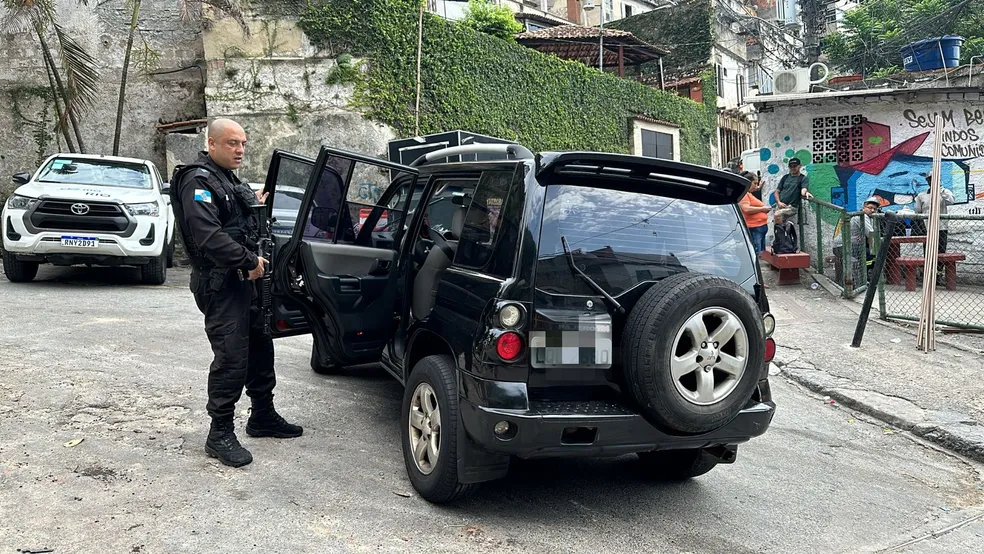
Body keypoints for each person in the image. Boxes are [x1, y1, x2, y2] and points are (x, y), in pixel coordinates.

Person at [170, 118, 302, 468]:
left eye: (243, 143)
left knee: (260, 343)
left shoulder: (227, 178)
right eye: (231, 143)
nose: (240, 149)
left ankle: (262, 415)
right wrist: (248, 261)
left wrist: (252, 204)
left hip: (246, 280)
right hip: (222, 282)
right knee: (231, 355)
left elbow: (233, 217)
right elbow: (208, 237)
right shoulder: (197, 180)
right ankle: (220, 432)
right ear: (211, 144)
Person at [914, 172, 955, 282]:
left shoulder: (945, 192)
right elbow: (917, 211)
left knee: (941, 252)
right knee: (928, 251)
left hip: (941, 227)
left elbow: (950, 201)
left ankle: (939, 275)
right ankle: (929, 274)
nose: (931, 181)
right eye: (929, 179)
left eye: (934, 179)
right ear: (927, 181)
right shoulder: (921, 195)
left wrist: (940, 190)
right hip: (927, 228)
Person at [832, 196, 879, 287]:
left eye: (875, 209)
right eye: (870, 208)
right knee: (873, 255)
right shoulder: (863, 216)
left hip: (842, 245)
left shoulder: (863, 216)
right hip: (844, 246)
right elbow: (871, 234)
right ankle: (863, 278)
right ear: (864, 207)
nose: (872, 210)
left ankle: (863, 278)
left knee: (869, 253)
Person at [739, 171, 769, 254]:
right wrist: (762, 209)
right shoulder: (744, 194)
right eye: (754, 183)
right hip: (754, 227)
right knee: (755, 252)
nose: (756, 186)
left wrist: (759, 187)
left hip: (759, 227)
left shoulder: (749, 193)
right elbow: (746, 209)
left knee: (759, 252)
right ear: (747, 183)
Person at [773, 157, 813, 222]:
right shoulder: (785, 177)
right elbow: (777, 191)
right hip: (780, 205)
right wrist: (778, 202)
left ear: (800, 166)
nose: (792, 168)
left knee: (777, 215)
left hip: (791, 207)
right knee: (779, 224)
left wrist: (806, 193)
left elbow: (803, 190)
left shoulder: (803, 178)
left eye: (794, 166)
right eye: (790, 166)